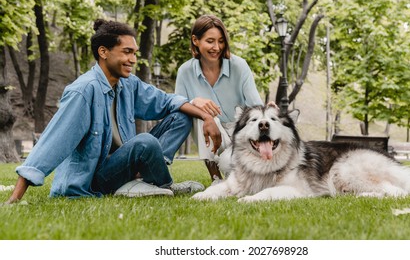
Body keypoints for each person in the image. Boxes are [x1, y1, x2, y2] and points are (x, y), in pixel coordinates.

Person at [5, 19, 221, 204]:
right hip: (94, 180)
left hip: (123, 164)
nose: (133, 60)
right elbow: (52, 142)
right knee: (144, 141)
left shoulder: (128, 84)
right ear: (103, 52)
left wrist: (205, 115)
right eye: (127, 52)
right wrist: (15, 197)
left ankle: (147, 181)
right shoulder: (83, 91)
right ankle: (164, 185)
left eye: (134, 53)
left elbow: (167, 101)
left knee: (182, 116)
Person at [175, 14, 263, 181]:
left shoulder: (239, 66)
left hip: (241, 134)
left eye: (221, 41)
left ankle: (238, 172)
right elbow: (176, 105)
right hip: (210, 130)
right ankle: (216, 179)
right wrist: (195, 102)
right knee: (201, 113)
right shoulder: (185, 71)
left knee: (230, 167)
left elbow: (256, 106)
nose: (217, 47)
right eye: (210, 41)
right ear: (195, 40)